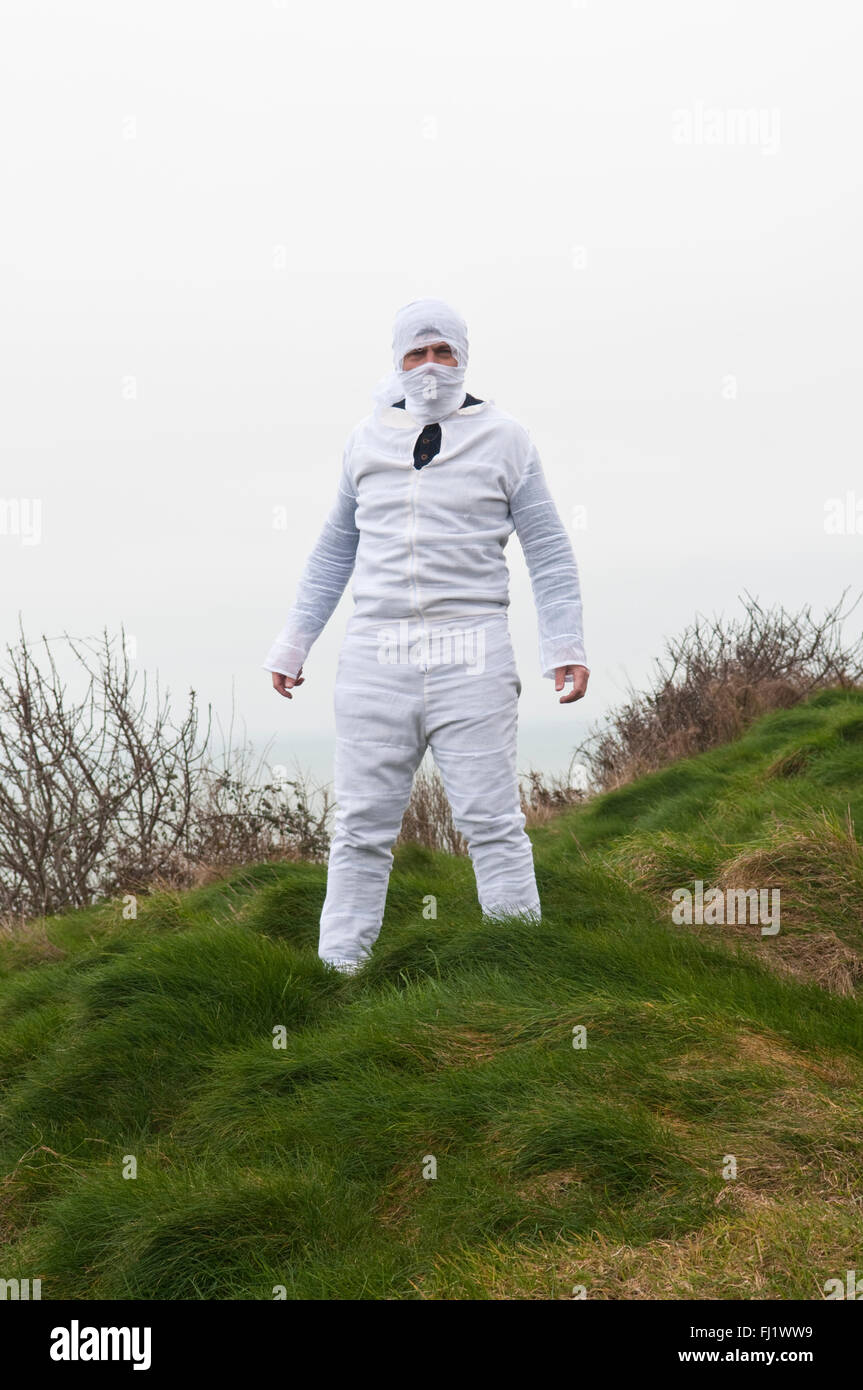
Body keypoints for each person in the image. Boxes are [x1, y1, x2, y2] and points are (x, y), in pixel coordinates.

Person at [262, 297, 589, 974]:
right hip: (375, 656)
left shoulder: (507, 438)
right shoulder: (365, 438)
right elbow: (333, 551)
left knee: (493, 824)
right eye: (417, 354)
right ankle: (337, 975)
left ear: (464, 358)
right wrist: (294, 645)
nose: (431, 367)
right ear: (397, 362)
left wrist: (563, 647)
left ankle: (521, 970)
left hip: (472, 648)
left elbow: (549, 550)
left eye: (444, 353)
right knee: (358, 830)